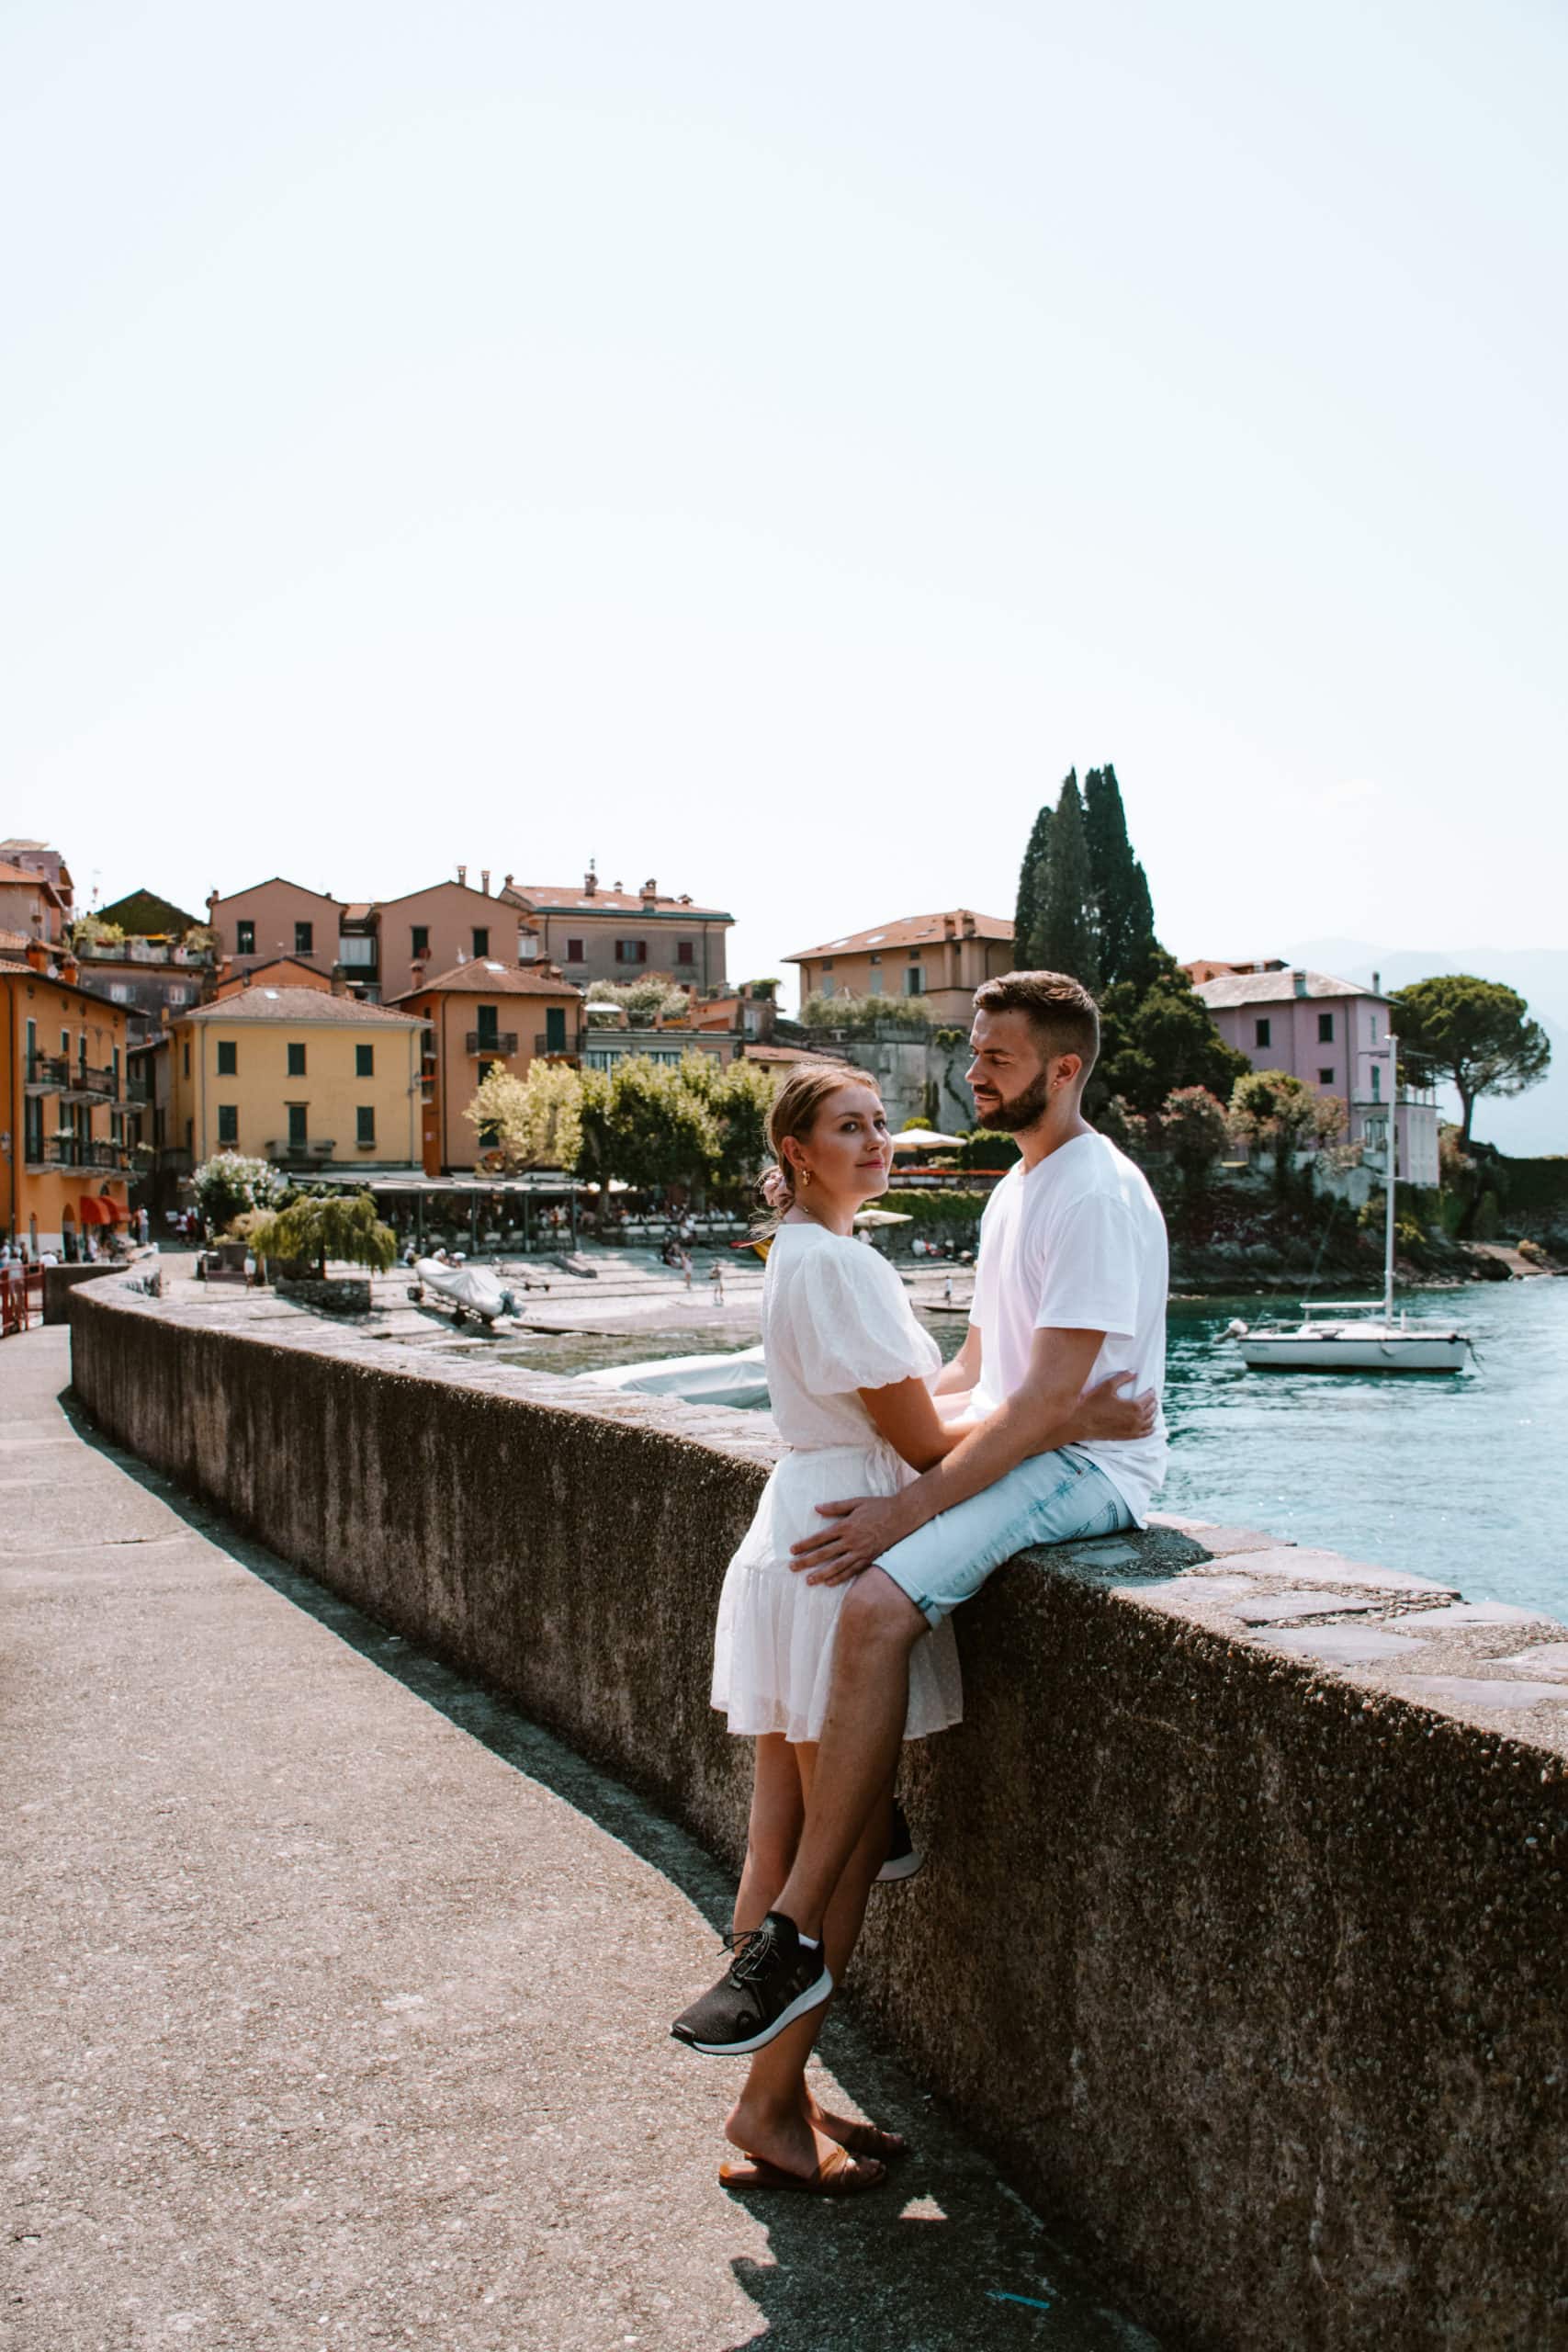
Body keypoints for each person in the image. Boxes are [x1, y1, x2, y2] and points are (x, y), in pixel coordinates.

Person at [674, 1050, 1155, 2196]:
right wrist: (1082, 1405)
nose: (878, 1139)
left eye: (882, 1120)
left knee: (786, 1824)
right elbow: (934, 1451)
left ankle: (778, 2092)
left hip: (804, 1519)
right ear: (797, 1152)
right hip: (841, 1538)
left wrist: (1005, 1381)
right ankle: (767, 2103)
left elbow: (918, 1404)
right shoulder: (836, 1268)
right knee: (828, 1848)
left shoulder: (816, 1254)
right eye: (850, 1125)